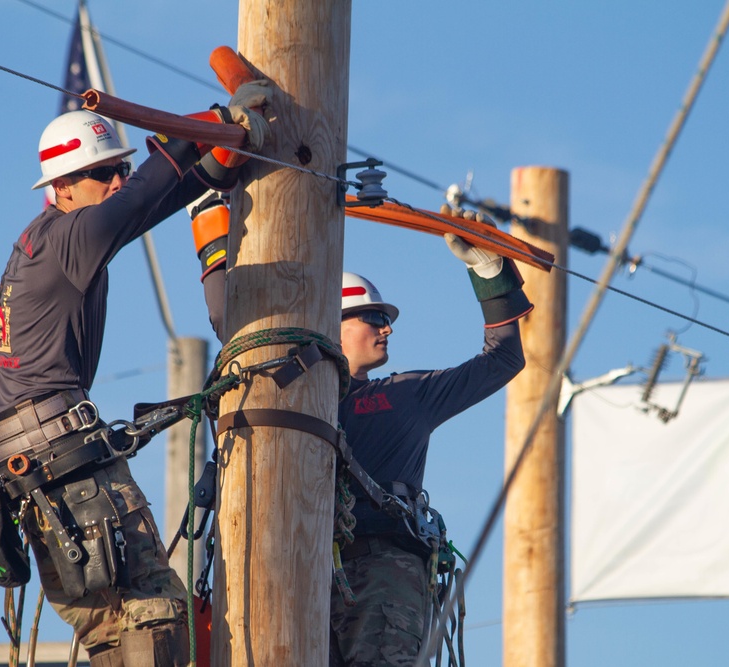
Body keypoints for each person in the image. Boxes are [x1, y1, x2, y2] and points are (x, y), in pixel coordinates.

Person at [0, 79, 270, 667]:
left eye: (119, 169)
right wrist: (209, 122)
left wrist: (214, 164)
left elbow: (150, 200)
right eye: (102, 173)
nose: (114, 182)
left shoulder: (51, 241)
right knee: (156, 612)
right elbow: (140, 197)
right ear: (61, 186)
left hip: (36, 468)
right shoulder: (71, 236)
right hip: (64, 457)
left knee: (113, 632)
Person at [190, 193, 530, 666]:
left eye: (385, 320)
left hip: (382, 567)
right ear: (333, 323)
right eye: (373, 317)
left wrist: (490, 272)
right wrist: (210, 224)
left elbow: (504, 359)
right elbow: (235, 329)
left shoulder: (405, 394)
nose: (387, 329)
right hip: (292, 566)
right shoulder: (278, 391)